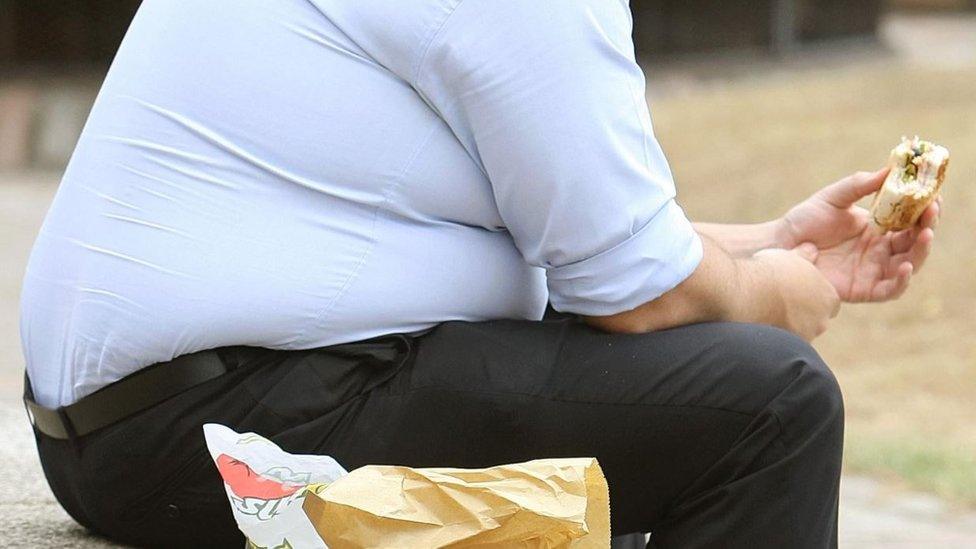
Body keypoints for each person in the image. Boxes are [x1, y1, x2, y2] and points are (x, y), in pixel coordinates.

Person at [20, 1, 939, 547]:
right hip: (224, 433)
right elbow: (639, 291)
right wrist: (775, 297)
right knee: (772, 403)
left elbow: (588, 241)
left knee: (633, 398)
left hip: (127, 425)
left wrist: (765, 242)